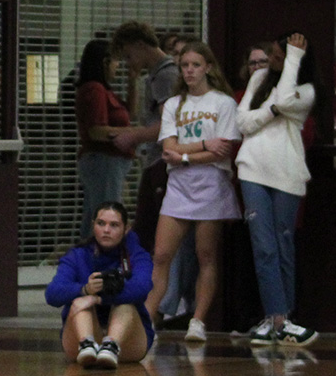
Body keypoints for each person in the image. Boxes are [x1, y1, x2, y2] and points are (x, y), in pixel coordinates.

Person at [144, 42, 241, 343]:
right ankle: (148, 315)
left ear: (208, 67)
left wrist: (186, 156)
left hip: (211, 183)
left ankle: (198, 320)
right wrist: (201, 145)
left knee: (205, 254)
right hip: (179, 187)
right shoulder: (174, 104)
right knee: (161, 254)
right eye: (185, 65)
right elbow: (168, 148)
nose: (189, 71)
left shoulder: (223, 103)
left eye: (195, 65)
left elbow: (221, 149)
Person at [237, 33, 319, 346]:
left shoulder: (307, 90)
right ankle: (276, 318)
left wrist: (294, 59)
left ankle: (284, 317)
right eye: (270, 54)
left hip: (287, 175)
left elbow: (285, 100)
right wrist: (270, 111)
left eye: (277, 55)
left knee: (283, 245)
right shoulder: (258, 79)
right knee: (263, 246)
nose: (270, 60)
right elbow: (243, 123)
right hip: (252, 171)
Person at [45, 201, 154, 369]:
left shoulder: (137, 255)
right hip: (81, 335)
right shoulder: (77, 255)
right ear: (93, 225)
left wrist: (99, 299)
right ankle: (87, 345)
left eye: (114, 225)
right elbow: (52, 294)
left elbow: (142, 288)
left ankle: (111, 345)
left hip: (128, 340)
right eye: (101, 223)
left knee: (125, 305)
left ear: (126, 229)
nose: (106, 230)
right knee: (79, 304)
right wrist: (85, 290)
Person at [109, 22, 181, 252]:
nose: (129, 63)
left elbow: (168, 126)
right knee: (144, 227)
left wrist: (134, 136)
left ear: (140, 45)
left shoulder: (165, 76)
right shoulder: (154, 76)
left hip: (162, 162)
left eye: (129, 56)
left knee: (149, 229)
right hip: (154, 160)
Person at [72, 38, 134, 238]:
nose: (118, 66)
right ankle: (100, 260)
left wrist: (133, 80)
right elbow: (96, 130)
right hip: (103, 161)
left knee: (95, 212)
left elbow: (129, 114)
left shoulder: (106, 91)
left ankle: (90, 259)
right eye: (116, 61)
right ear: (104, 62)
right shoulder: (94, 89)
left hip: (109, 162)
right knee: (107, 214)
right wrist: (131, 135)